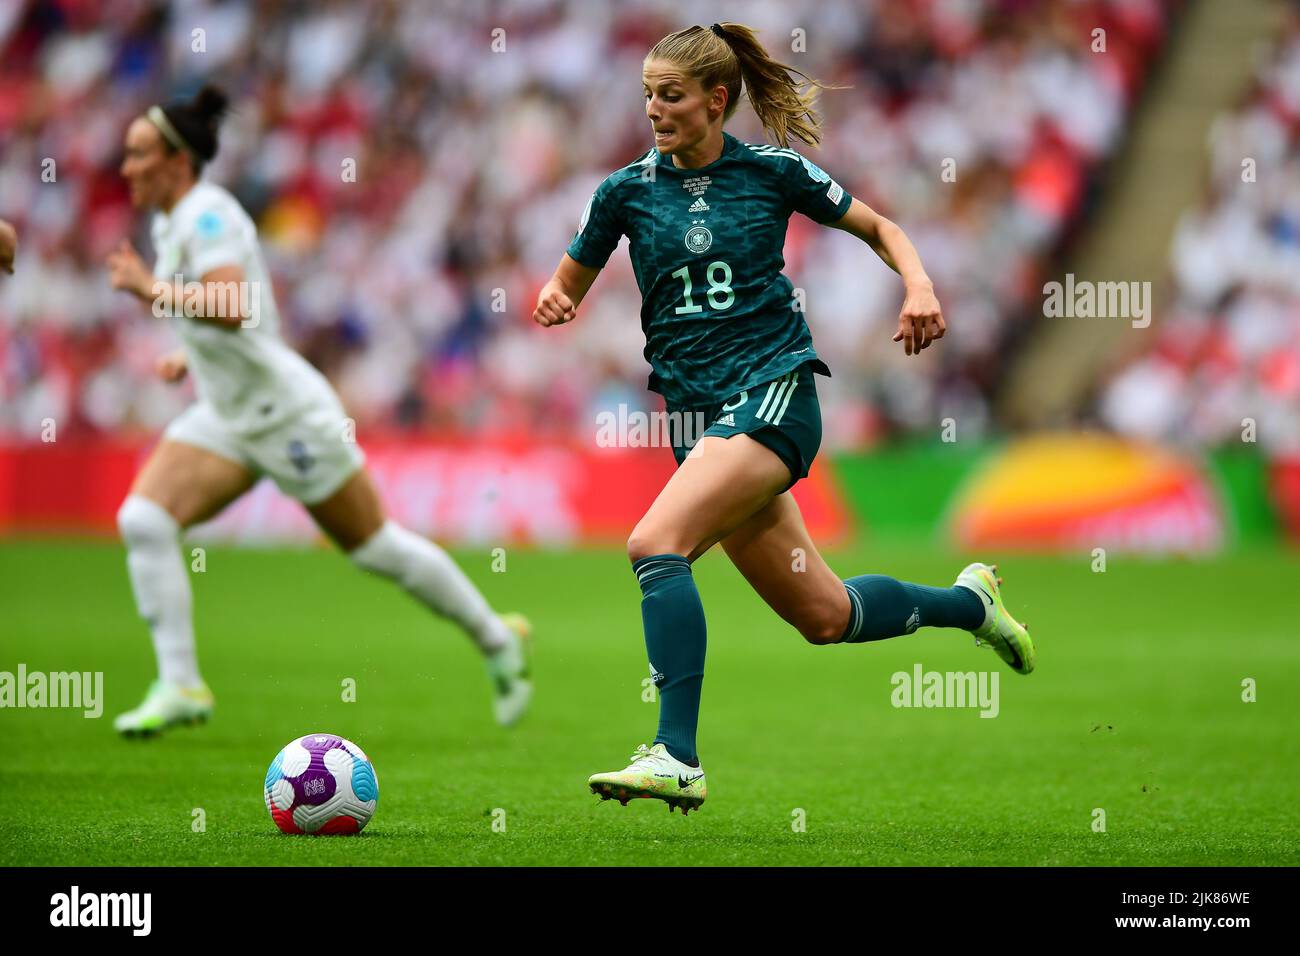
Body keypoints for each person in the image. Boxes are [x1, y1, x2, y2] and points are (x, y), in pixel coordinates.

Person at [533, 23, 1035, 815]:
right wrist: (558, 297)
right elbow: (568, 278)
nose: (654, 110)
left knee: (653, 544)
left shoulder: (772, 172)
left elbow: (881, 227)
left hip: (773, 397)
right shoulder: (624, 191)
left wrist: (920, 286)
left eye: (670, 95)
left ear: (715, 99)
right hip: (698, 424)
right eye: (647, 95)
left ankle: (676, 754)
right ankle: (972, 605)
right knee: (826, 617)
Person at [107, 85, 531, 736]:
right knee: (144, 518)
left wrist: (150, 291)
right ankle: (181, 682)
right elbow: (233, 320)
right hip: (227, 411)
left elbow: (232, 305)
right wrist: (188, 357)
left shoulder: (206, 216)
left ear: (177, 159)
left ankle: (495, 639)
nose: (125, 167)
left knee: (374, 548)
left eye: (138, 154)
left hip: (286, 414)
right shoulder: (170, 221)